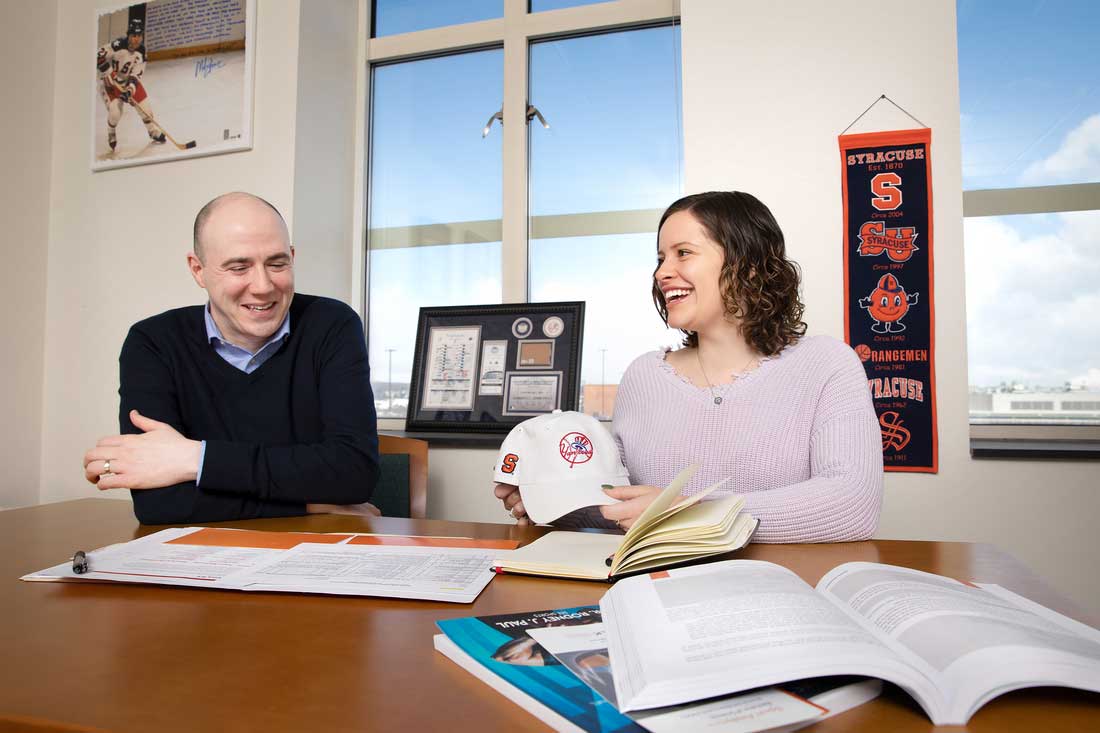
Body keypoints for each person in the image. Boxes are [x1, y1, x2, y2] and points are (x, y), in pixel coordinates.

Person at [495, 191, 882, 542]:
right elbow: (620, 502)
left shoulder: (827, 364)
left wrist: (691, 513)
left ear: (748, 265)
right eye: (661, 258)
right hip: (655, 590)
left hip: (782, 597)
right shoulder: (643, 376)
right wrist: (551, 495)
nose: (663, 272)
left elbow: (853, 504)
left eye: (683, 253)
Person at [82, 192, 380, 524]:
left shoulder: (333, 325)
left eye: (277, 263)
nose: (263, 286)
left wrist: (195, 459)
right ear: (198, 270)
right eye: (239, 267)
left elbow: (353, 474)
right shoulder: (152, 343)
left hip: (315, 554)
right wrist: (312, 503)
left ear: (292, 258)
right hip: (198, 560)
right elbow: (160, 504)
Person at [96, 17, 166, 152]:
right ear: (128, 35)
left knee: (146, 109)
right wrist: (106, 72)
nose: (137, 39)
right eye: (134, 35)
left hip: (129, 82)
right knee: (115, 113)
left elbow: (136, 74)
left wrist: (129, 90)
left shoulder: (142, 51)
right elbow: (97, 55)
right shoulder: (117, 45)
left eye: (140, 36)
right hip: (111, 84)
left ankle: (152, 131)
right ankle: (111, 132)